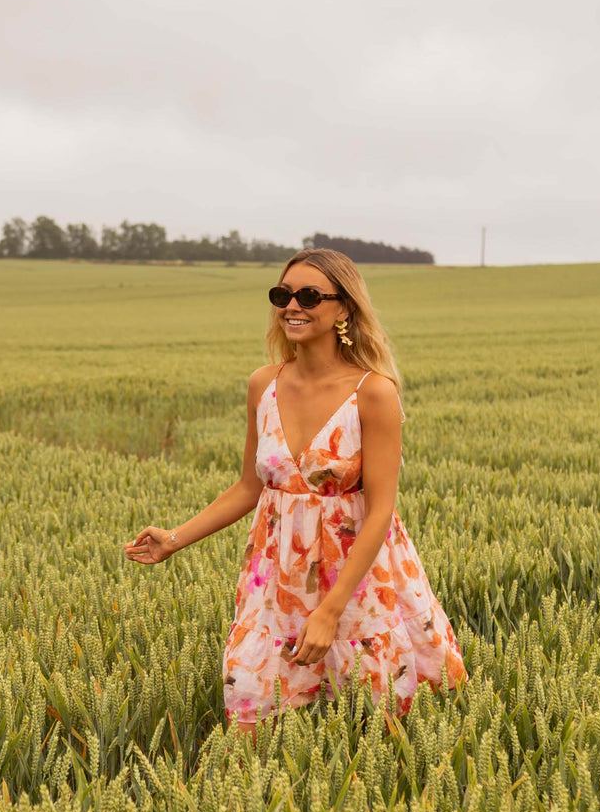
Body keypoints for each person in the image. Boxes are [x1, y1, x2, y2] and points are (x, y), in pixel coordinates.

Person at [124, 248, 466, 733]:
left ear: (344, 307)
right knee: (257, 711)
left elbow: (381, 512)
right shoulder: (263, 384)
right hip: (278, 580)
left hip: (360, 582)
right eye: (283, 294)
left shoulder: (373, 392)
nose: (292, 306)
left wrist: (329, 611)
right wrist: (174, 539)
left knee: (377, 720)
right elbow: (249, 488)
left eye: (309, 295)